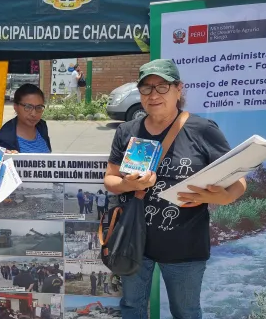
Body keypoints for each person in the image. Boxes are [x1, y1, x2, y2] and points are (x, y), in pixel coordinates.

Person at [103, 59, 246, 319]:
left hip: (185, 247)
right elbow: (110, 179)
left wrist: (218, 197)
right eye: (146, 88)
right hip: (134, 243)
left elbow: (238, 183)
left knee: (186, 312)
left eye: (162, 87)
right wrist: (128, 184)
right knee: (132, 308)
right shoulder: (127, 131)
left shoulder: (202, 130)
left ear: (179, 89)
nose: (153, 95)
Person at [0, 83, 51, 153]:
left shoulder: (42, 126)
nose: (34, 114)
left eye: (39, 107)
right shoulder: (1, 139)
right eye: (28, 107)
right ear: (15, 107)